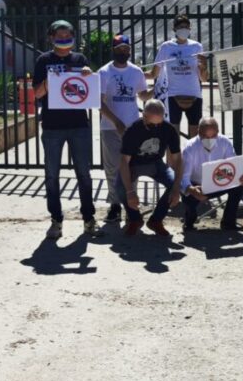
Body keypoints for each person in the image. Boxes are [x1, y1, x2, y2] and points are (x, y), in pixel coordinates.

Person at [32, 20, 103, 239]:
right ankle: (56, 220)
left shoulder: (79, 59)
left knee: (84, 174)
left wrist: (87, 75)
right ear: (51, 37)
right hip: (52, 126)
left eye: (67, 35)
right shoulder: (43, 60)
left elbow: (87, 88)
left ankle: (89, 219)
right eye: (59, 35)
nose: (63, 39)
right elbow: (36, 94)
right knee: (52, 174)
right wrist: (48, 82)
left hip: (79, 125)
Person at [98, 34, 151, 225]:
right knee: (112, 167)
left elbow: (142, 96)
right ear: (113, 50)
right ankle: (115, 205)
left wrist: (156, 89)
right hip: (110, 127)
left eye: (126, 49)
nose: (123, 52)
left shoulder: (136, 72)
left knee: (132, 167)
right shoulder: (104, 72)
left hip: (132, 127)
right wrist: (116, 121)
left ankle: (131, 203)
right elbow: (99, 101)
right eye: (119, 49)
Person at [116, 99, 183, 237]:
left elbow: (178, 159)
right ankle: (135, 219)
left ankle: (156, 220)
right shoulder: (132, 130)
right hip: (134, 164)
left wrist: (176, 188)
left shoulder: (169, 129)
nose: (156, 127)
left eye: (159, 123)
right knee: (120, 187)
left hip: (156, 163)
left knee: (174, 184)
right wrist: (130, 191)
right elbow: (124, 161)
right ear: (144, 116)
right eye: (152, 124)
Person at [180, 117, 243, 231]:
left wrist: (241, 177)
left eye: (213, 136)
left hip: (220, 182)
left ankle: (228, 222)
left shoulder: (225, 142)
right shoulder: (190, 147)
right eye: (206, 137)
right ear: (199, 133)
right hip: (198, 185)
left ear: (218, 132)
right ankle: (189, 220)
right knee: (188, 198)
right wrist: (191, 189)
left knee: (239, 187)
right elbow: (184, 177)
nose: (210, 139)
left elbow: (233, 165)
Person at [147, 14, 208, 138]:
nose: (184, 29)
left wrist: (204, 66)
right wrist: (134, 72)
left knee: (195, 137)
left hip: (194, 94)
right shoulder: (166, 47)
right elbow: (154, 73)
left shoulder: (196, 46)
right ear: (174, 29)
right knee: (173, 137)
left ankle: (192, 158)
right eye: (181, 27)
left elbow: (204, 78)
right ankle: (174, 158)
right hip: (173, 96)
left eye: (186, 27)